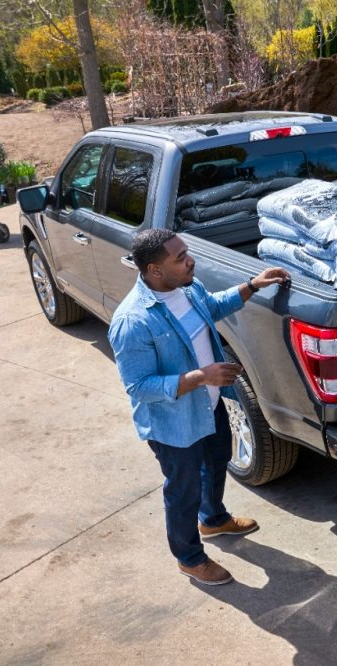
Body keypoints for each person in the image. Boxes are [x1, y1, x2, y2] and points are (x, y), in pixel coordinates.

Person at [108, 228, 289, 585]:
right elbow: (139, 388)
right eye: (180, 258)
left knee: (217, 462)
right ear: (154, 270)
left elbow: (214, 305)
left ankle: (213, 519)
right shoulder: (133, 321)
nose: (190, 260)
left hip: (208, 406)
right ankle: (189, 557)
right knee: (183, 490)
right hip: (173, 424)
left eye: (186, 252)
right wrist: (200, 377)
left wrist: (253, 285)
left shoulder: (188, 288)